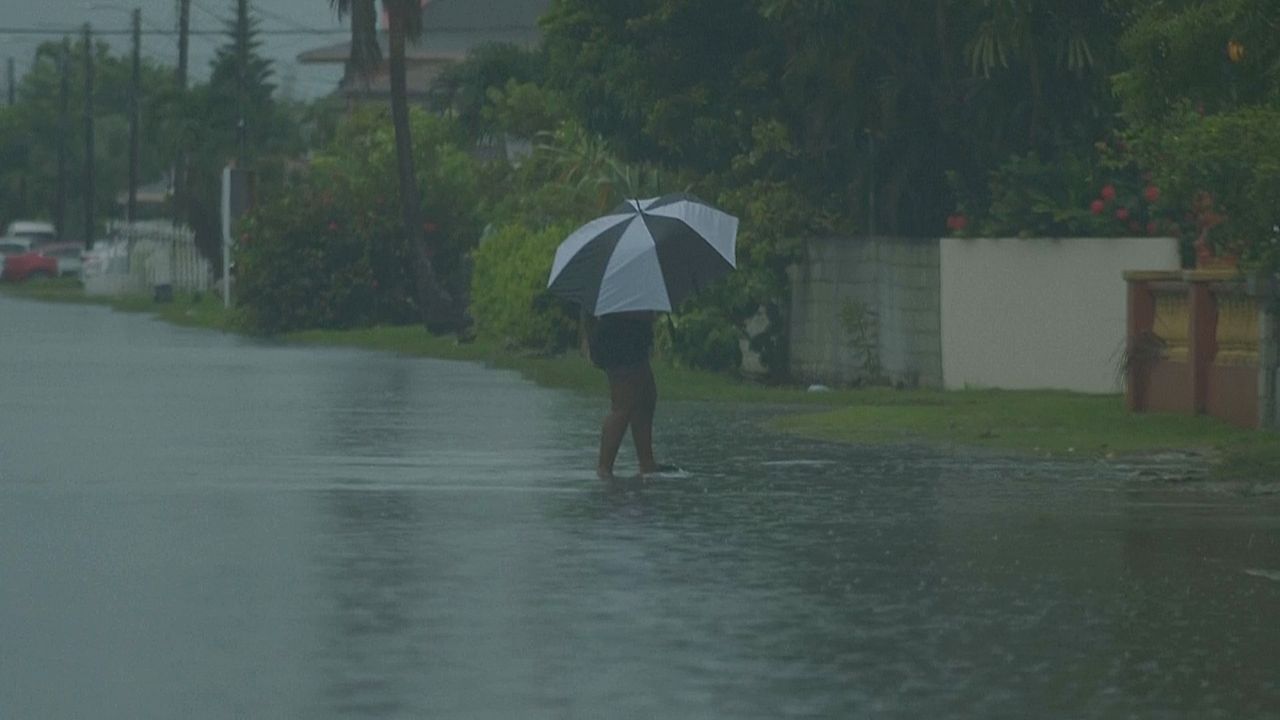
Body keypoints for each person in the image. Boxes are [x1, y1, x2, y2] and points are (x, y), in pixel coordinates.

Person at [587, 311, 659, 480]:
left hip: (632, 335)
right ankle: (604, 468)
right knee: (623, 406)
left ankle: (646, 462)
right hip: (620, 338)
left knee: (646, 396)